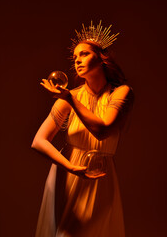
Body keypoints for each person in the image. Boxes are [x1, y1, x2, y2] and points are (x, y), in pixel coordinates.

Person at [31, 21, 133, 237]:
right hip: (68, 176)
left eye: (84, 54)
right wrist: (70, 167)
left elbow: (102, 130)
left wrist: (70, 98)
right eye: (75, 57)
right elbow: (38, 140)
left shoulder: (121, 93)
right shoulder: (71, 97)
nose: (77, 60)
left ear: (102, 57)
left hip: (101, 176)